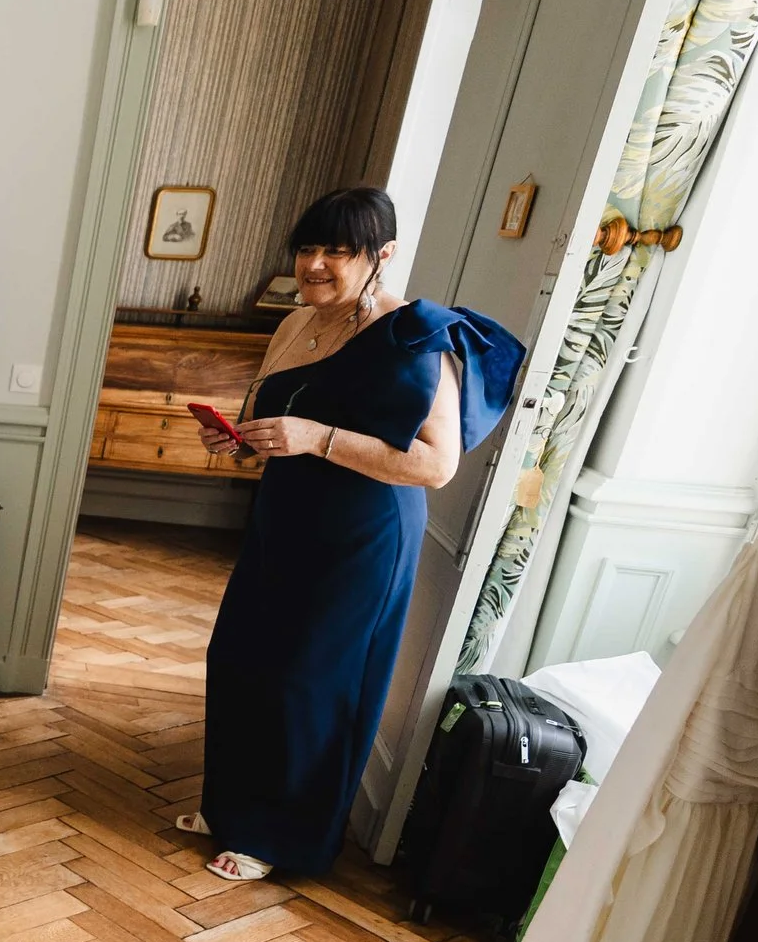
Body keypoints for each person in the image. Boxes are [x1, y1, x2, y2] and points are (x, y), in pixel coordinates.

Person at [188, 187, 524, 882]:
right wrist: (242, 442)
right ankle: (230, 806)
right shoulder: (295, 322)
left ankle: (281, 838)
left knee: (310, 683)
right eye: (306, 248)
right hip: (284, 519)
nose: (313, 264)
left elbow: (435, 464)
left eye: (335, 252)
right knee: (242, 658)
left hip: (362, 536)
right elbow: (271, 413)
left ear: (383, 256)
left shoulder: (418, 337)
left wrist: (318, 438)